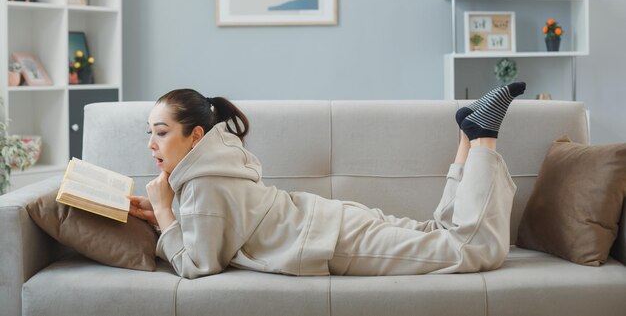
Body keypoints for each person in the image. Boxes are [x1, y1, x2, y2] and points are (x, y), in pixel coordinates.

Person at [130, 83, 525, 279]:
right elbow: (219, 226)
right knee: (438, 233)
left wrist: (165, 210)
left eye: (161, 132)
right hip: (330, 224)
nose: (151, 144)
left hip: (333, 241)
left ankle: (483, 137)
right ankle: (466, 137)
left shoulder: (200, 183)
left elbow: (198, 264)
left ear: (195, 136)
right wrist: (163, 216)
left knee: (475, 251)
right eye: (149, 132)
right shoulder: (220, 157)